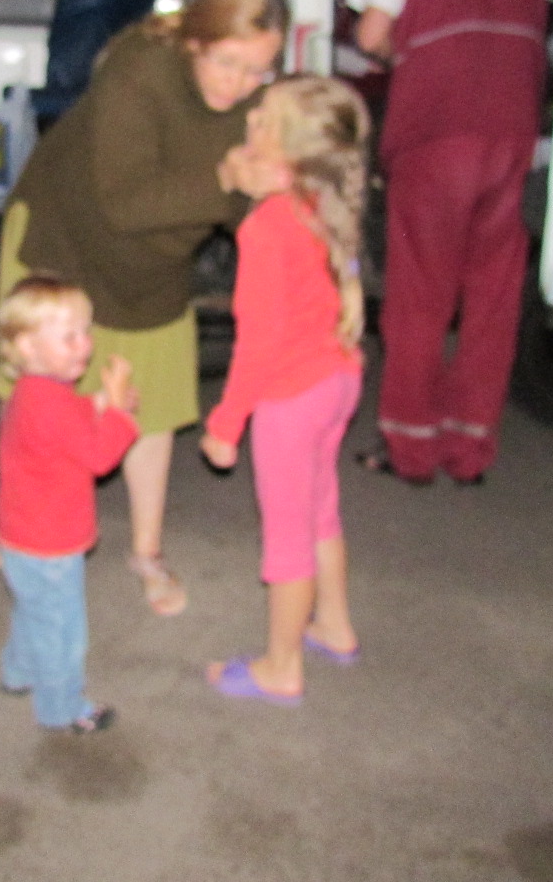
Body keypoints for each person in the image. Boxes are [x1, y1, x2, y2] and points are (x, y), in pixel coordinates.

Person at [0, 0, 290, 616]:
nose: (239, 84)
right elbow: (126, 203)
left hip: (153, 260)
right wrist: (226, 180)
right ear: (195, 40)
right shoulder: (140, 69)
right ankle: (15, 530)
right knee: (39, 396)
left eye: (257, 71)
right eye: (227, 62)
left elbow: (247, 205)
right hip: (62, 236)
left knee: (148, 408)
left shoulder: (257, 101)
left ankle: (147, 552)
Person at [346, 0, 553, 485]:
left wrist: (411, 54)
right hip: (511, 131)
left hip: (434, 130)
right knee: (493, 296)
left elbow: (370, 33)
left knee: (420, 294)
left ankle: (413, 450)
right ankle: (470, 450)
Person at [198, 75, 370, 705]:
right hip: (338, 377)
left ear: (291, 151)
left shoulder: (268, 227)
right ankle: (335, 627)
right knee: (320, 512)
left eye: (264, 121)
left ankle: (281, 666)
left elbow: (258, 342)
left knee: (287, 536)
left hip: (291, 396)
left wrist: (226, 422)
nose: (250, 122)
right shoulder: (323, 201)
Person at [0, 275, 140, 733]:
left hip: (22, 537)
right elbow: (99, 456)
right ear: (27, 346)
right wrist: (119, 415)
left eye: (86, 332)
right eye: (69, 336)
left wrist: (100, 402)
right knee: (62, 631)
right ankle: (62, 709)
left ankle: (18, 672)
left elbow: (64, 419)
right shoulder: (49, 403)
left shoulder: (33, 392)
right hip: (50, 544)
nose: (85, 345)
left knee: (33, 611)